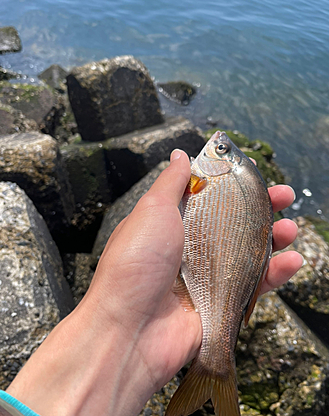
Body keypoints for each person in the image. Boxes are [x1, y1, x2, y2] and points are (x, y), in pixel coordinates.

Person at [0, 149, 302, 416]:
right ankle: (215, 372)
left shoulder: (209, 181)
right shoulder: (217, 181)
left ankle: (215, 369)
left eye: (220, 149)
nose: (215, 145)